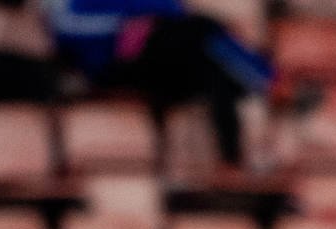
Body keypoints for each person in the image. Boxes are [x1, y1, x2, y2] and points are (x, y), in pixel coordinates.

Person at [43, 0, 273, 169]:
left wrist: (149, 21)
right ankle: (266, 79)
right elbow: (65, 26)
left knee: (213, 71)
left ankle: (231, 161)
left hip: (159, 58)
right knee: (203, 30)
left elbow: (175, 13)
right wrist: (126, 24)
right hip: (113, 63)